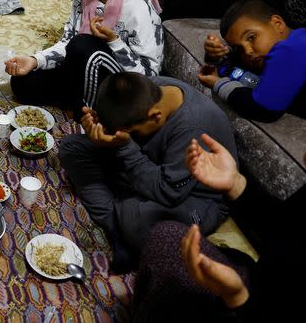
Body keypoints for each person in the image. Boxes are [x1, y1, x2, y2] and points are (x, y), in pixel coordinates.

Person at [134, 79, 306, 322]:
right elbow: (284, 227)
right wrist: (235, 183)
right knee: (165, 238)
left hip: (257, 311)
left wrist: (237, 297)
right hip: (261, 285)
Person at [59, 72, 236, 274]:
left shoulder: (193, 127)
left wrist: (124, 147)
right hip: (149, 166)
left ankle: (123, 224)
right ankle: (117, 228)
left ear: (155, 116)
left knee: (137, 216)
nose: (129, 135)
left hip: (197, 199)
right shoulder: (150, 89)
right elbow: (126, 132)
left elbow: (168, 192)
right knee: (71, 148)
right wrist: (100, 128)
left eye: (132, 131)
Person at [5, 0, 162, 115]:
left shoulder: (136, 6)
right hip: (84, 71)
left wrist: (115, 41)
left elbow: (149, 76)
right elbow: (67, 42)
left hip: (123, 89)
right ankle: (77, 98)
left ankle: (86, 113)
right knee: (22, 82)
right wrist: (35, 60)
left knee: (83, 44)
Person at [198, 0, 306, 122]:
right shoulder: (292, 45)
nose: (248, 51)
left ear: (277, 23)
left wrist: (218, 84)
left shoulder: (289, 50)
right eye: (239, 48)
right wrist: (216, 54)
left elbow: (263, 109)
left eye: (251, 37)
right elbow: (237, 66)